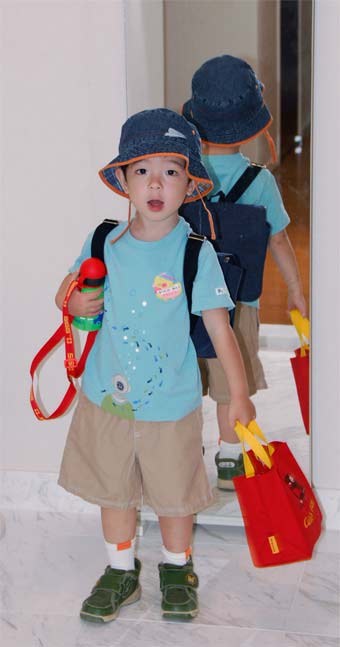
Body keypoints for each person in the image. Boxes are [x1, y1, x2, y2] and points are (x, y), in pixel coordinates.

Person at [55, 108, 255, 623]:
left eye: (171, 170)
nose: (156, 183)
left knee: (174, 496)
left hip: (171, 407)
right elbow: (68, 292)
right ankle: (120, 570)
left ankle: (175, 567)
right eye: (142, 170)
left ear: (189, 183)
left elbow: (220, 331)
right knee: (113, 490)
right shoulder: (103, 242)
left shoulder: (194, 254)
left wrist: (240, 396)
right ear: (123, 180)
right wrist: (76, 304)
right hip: (108, 400)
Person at [182, 54, 307, 490]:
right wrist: (295, 289)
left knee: (187, 378)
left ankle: (185, 454)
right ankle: (230, 457)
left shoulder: (183, 176)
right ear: (255, 127)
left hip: (185, 303)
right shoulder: (261, 183)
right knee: (227, 385)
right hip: (239, 305)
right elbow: (279, 240)